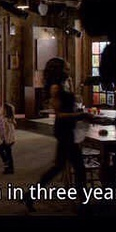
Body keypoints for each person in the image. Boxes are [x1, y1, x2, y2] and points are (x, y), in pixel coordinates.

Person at [23, 57, 94, 212]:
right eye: (66, 68)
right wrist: (81, 115)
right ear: (59, 70)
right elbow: (60, 114)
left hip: (68, 129)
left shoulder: (64, 84)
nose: (69, 70)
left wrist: (77, 108)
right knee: (78, 167)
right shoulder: (55, 87)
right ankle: (84, 202)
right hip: (63, 130)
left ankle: (30, 195)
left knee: (59, 166)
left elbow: (71, 105)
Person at [0, 102, 17, 174]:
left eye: (2, 108)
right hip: (8, 139)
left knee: (0, 150)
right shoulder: (4, 118)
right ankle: (9, 168)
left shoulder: (6, 120)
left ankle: (7, 164)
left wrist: (7, 140)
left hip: (8, 139)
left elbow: (8, 131)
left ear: (5, 111)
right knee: (8, 153)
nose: (0, 109)